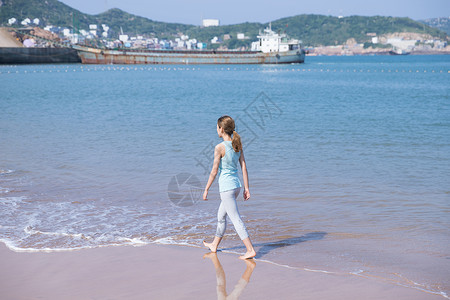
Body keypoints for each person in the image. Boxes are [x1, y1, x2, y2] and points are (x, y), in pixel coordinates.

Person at [203, 115, 256, 260]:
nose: (216, 130)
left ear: (221, 129)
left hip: (226, 188)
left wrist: (206, 188)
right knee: (221, 216)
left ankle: (250, 249)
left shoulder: (219, 147)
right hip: (236, 187)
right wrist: (246, 188)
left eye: (217, 127)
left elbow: (214, 171)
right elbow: (244, 167)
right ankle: (214, 245)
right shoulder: (237, 144)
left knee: (235, 218)